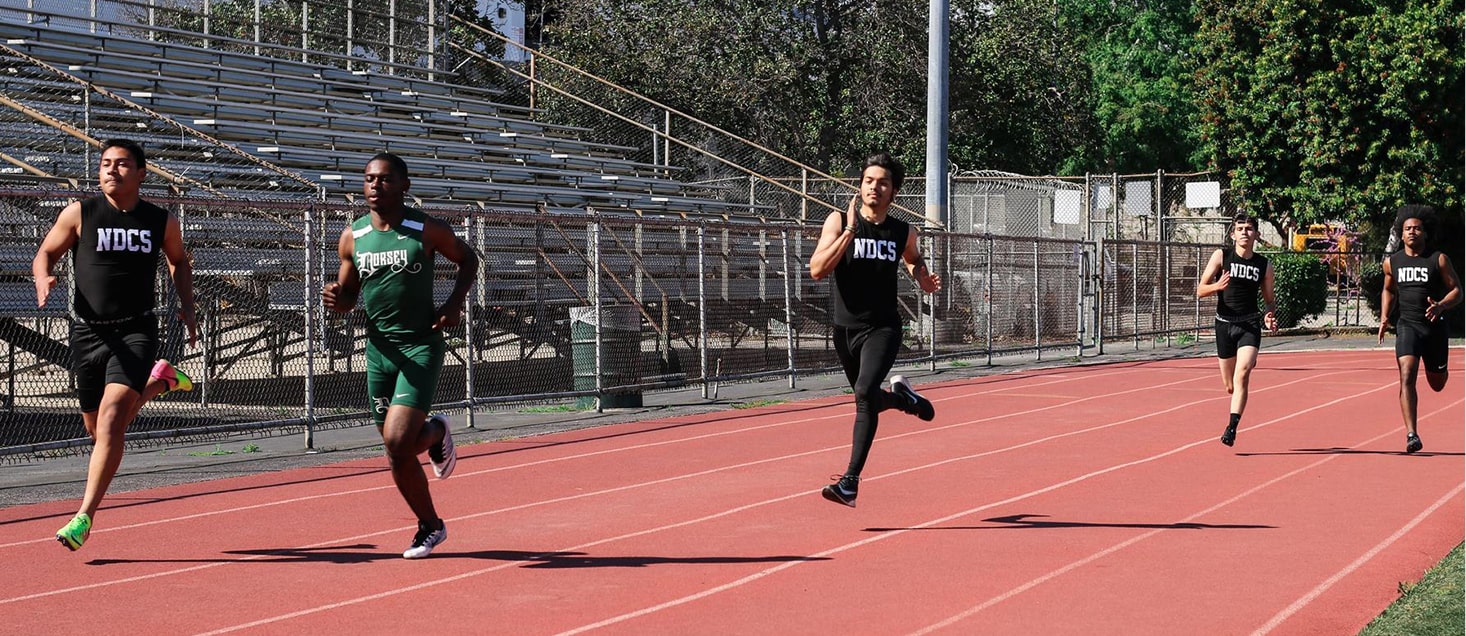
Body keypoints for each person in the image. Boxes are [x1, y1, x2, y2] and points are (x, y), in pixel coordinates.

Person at [33, 139, 198, 551]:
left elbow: (178, 260)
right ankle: (162, 382)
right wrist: (43, 277)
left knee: (110, 421)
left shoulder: (161, 220)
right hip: (87, 333)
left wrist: (188, 305)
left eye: (122, 164)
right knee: (98, 430)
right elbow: (45, 253)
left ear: (141, 173)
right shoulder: (80, 213)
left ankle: (83, 517)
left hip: (136, 330)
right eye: (105, 164)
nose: (111, 171)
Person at [322, 152, 479, 558]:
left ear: (404, 186)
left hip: (419, 346)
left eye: (386, 179)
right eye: (370, 179)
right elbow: (349, 296)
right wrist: (338, 300)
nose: (376, 186)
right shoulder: (352, 237)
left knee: (396, 440)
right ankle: (430, 524)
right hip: (379, 353)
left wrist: (453, 303)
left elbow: (467, 259)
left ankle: (435, 434)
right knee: (397, 450)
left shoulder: (424, 229)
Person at [808, 152, 941, 507]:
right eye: (868, 181)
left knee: (866, 391)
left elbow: (912, 257)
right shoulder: (838, 221)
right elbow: (817, 269)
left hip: (883, 327)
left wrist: (922, 278)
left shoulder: (901, 231)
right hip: (845, 330)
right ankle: (902, 399)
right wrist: (851, 230)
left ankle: (849, 482)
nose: (874, 188)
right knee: (866, 398)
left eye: (882, 183)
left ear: (893, 191)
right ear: (861, 185)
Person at [1377, 204, 1460, 453]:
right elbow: (1389, 290)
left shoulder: (1438, 259)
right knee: (1406, 374)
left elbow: (1457, 291)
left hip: (1434, 329)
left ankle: (1440, 370)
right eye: (1407, 229)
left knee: (1437, 383)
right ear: (1401, 234)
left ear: (1425, 232)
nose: (1412, 232)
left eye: (1417, 228)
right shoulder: (1392, 263)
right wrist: (1384, 317)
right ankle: (1411, 433)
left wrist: (1441, 306)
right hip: (1407, 326)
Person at [1196, 213, 1277, 447]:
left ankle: (1231, 428)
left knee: (1243, 373)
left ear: (1256, 235)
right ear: (1233, 234)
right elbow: (1200, 290)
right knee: (1230, 385)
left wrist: (1270, 315)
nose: (1244, 232)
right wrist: (1216, 286)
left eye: (1249, 229)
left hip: (1249, 324)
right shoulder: (1222, 256)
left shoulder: (1264, 265)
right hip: (1224, 324)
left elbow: (1269, 300)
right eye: (1240, 228)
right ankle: (1241, 371)